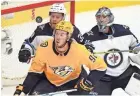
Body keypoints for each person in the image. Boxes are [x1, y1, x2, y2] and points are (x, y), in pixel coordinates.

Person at [14, 21, 107, 95]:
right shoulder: (43, 48)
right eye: (57, 34)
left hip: (74, 79)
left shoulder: (79, 50)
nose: (58, 37)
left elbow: (101, 67)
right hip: (49, 80)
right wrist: (23, 89)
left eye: (62, 35)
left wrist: (88, 82)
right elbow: (34, 73)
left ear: (68, 37)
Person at [81, 7, 140, 95]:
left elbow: (136, 47)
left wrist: (136, 49)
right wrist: (85, 51)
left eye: (104, 17)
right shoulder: (89, 38)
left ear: (110, 18)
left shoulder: (123, 31)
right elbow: (78, 55)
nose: (101, 20)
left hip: (126, 73)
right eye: (99, 17)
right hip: (101, 78)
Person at [18, 3, 90, 63]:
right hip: (46, 68)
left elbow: (83, 44)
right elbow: (28, 44)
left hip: (68, 68)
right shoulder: (40, 30)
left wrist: (87, 48)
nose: (54, 19)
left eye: (57, 17)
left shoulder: (72, 29)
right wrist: (26, 51)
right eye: (52, 16)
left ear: (63, 18)